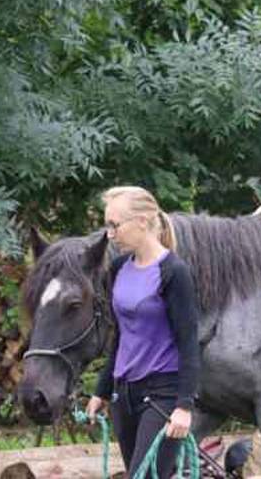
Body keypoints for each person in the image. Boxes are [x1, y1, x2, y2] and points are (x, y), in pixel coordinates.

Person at [85, 186, 200, 478]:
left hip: (163, 394)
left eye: (115, 225)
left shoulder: (174, 272)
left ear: (142, 222)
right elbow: (122, 336)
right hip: (124, 394)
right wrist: (102, 390)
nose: (110, 234)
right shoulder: (119, 267)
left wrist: (185, 406)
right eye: (107, 225)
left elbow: (188, 343)